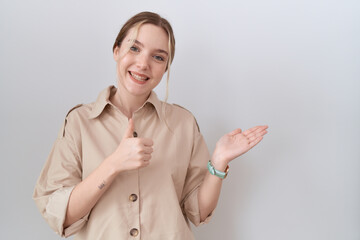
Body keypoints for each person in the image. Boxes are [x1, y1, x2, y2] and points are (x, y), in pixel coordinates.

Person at [33, 11, 268, 240]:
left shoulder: (183, 123)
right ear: (116, 51)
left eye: (158, 57)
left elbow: (198, 213)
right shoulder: (79, 122)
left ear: (165, 67)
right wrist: (113, 164)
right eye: (134, 48)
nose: (143, 64)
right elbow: (60, 216)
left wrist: (218, 162)